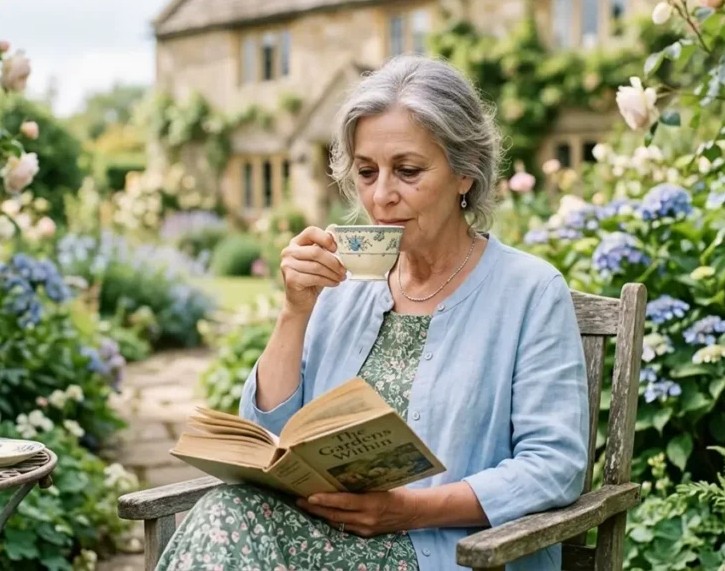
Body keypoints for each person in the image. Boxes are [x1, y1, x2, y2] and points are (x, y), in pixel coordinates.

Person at [156, 55, 589, 571]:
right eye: (366, 172)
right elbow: (265, 436)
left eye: (407, 171)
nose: (381, 196)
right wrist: (295, 311)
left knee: (226, 525)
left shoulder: (530, 292)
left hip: (454, 555)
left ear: (464, 174)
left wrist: (406, 510)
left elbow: (554, 467)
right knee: (228, 509)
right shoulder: (344, 288)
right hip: (321, 541)